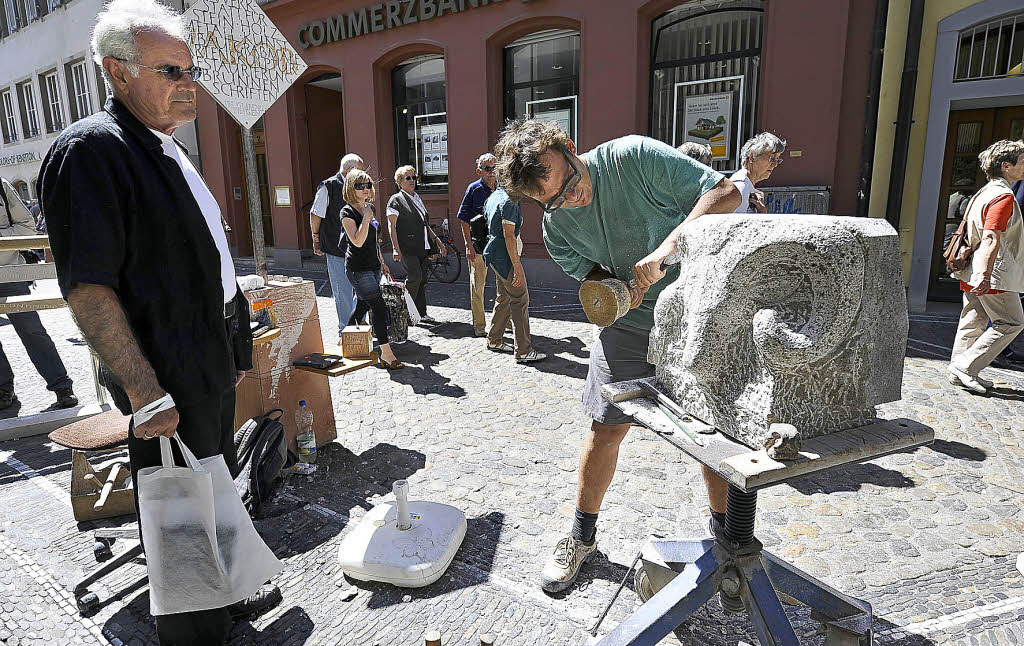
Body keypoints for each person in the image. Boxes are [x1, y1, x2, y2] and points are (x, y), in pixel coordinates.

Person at [37, 2, 280, 642]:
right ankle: (195, 629)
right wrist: (145, 393)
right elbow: (88, 288)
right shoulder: (93, 152)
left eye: (191, 68)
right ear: (118, 72)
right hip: (165, 374)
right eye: (172, 69)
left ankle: (221, 600)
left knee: (212, 489)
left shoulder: (165, 147)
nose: (189, 83)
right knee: (178, 508)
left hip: (205, 360)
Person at [494, 119, 741, 593]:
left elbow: (726, 193)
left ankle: (726, 541)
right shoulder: (556, 227)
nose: (569, 201)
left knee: (714, 437)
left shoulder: (633, 158)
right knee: (604, 428)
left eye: (568, 184)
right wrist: (615, 291)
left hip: (698, 315)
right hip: (628, 328)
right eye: (551, 200)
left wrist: (668, 248)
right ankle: (581, 537)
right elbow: (594, 281)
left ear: (569, 147)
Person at [948, 139, 1024, 394]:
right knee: (1011, 322)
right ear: (1006, 166)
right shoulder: (1003, 196)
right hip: (992, 272)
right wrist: (985, 274)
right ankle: (965, 366)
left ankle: (959, 371)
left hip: (972, 268)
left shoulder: (984, 192)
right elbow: (991, 237)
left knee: (973, 319)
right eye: (1022, 162)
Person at [0, 177, 77, 410]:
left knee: (32, 330)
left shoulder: (1, 186)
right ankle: (3, 389)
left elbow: (26, 226)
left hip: (10, 271)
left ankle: (61, 385)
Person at [341, 169, 404, 370]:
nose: (366, 189)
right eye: (360, 186)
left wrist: (382, 262)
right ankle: (386, 353)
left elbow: (374, 242)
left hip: (374, 266)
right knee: (377, 306)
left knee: (362, 305)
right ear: (351, 188)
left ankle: (345, 341)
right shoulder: (347, 212)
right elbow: (357, 241)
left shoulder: (370, 209)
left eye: (368, 185)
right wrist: (366, 218)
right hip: (358, 269)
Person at [480, 186, 545, 363]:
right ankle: (523, 350)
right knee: (520, 299)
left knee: (505, 297)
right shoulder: (510, 201)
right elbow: (509, 235)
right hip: (504, 257)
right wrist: (517, 266)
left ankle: (494, 339)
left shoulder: (496, 195)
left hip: (495, 254)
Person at [311, 153, 363, 339]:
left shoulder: (358, 186)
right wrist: (316, 238)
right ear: (349, 170)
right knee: (342, 291)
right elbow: (316, 214)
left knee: (362, 289)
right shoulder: (329, 186)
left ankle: (358, 326)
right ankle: (346, 331)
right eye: (360, 171)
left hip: (359, 248)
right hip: (336, 248)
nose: (362, 176)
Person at [387, 165, 447, 325]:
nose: (412, 180)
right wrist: (395, 248)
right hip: (407, 246)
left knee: (423, 279)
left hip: (423, 245)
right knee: (415, 276)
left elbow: (425, 223)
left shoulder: (416, 197)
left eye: (414, 177)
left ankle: (421, 313)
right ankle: (404, 311)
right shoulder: (395, 200)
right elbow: (391, 226)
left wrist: (437, 240)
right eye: (408, 178)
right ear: (400, 181)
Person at [457, 153, 497, 336]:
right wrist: (468, 245)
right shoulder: (473, 189)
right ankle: (479, 325)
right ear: (479, 171)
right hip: (479, 245)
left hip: (498, 245)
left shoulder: (502, 189)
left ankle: (504, 321)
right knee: (477, 287)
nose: (492, 172)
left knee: (505, 286)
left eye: (495, 167)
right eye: (488, 168)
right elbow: (463, 219)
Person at [730, 132, 787, 214]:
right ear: (752, 157)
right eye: (771, 158)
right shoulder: (741, 186)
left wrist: (761, 212)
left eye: (777, 160)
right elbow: (734, 225)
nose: (775, 165)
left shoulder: (747, 184)